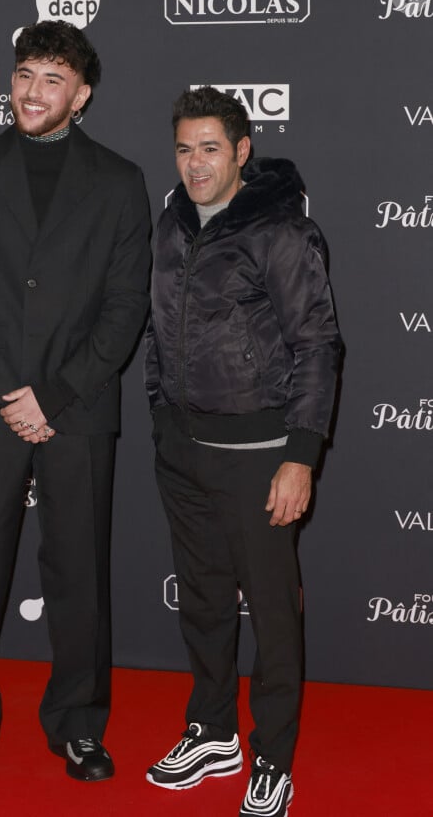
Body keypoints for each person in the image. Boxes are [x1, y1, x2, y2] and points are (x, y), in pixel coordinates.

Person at [0, 20, 151, 801]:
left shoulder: (120, 182)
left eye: (52, 79)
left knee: (80, 573)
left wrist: (51, 395)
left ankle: (79, 724)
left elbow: (124, 311)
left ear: (80, 96)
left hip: (77, 409)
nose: (31, 91)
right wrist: (8, 395)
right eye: (24, 73)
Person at [144, 86, 341, 817]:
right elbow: (160, 328)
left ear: (242, 150)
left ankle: (274, 759)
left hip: (260, 453)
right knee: (201, 603)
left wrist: (300, 454)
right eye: (184, 149)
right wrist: (161, 412)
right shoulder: (170, 222)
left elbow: (318, 344)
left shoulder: (281, 232)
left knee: (271, 612)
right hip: (182, 450)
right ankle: (214, 731)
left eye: (210, 149)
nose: (195, 165)